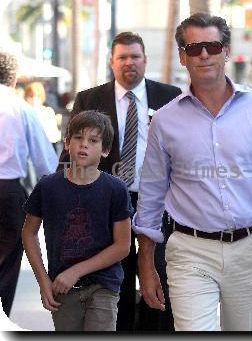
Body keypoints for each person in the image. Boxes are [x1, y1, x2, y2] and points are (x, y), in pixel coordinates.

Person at [132, 13, 252, 331]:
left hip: (250, 249)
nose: (204, 54)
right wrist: (146, 263)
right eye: (194, 48)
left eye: (212, 45)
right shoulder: (165, 120)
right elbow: (151, 194)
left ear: (226, 51)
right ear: (183, 56)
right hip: (190, 250)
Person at [58, 32, 182, 331]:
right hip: (109, 202)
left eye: (135, 56)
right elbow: (71, 152)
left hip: (158, 201)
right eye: (122, 57)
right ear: (112, 62)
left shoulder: (170, 96)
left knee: (160, 274)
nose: (129, 63)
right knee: (115, 278)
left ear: (145, 61)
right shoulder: (90, 99)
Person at [22, 110, 133, 331]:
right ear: (67, 143)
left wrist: (76, 271)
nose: (84, 145)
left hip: (103, 284)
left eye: (93, 140)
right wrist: (43, 281)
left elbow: (123, 246)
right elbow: (29, 232)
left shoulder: (116, 189)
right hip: (62, 289)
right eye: (78, 138)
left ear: (105, 150)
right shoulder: (47, 186)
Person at [0, 51, 58, 317]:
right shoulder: (21, 108)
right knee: (6, 269)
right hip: (8, 195)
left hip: (9, 194)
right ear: (13, 80)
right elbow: (45, 162)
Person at [24, 81, 62, 148]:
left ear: (42, 97)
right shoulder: (22, 113)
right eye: (31, 96)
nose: (34, 99)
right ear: (26, 97)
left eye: (37, 96)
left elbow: (53, 137)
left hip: (45, 148)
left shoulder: (48, 112)